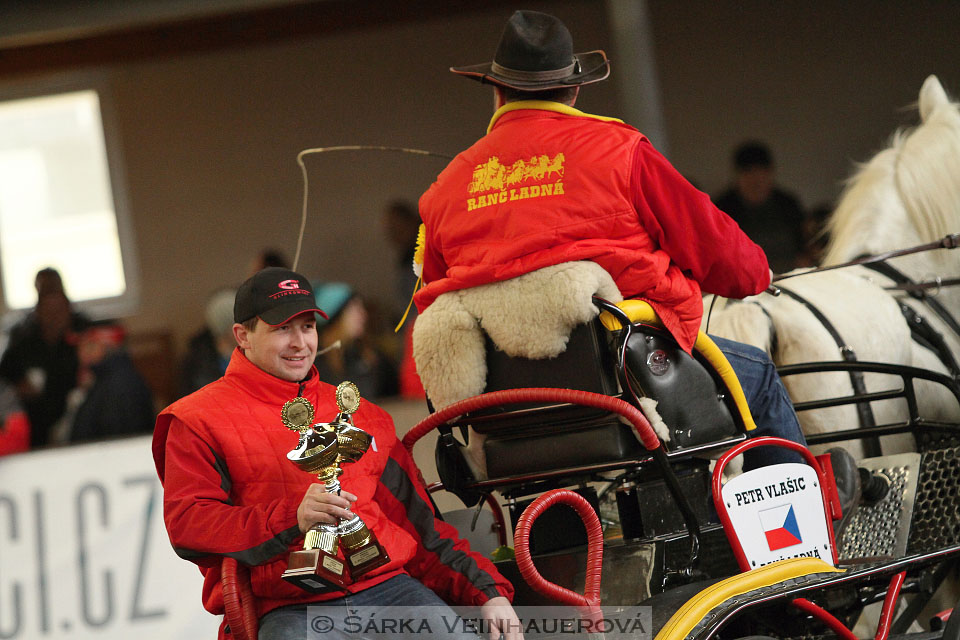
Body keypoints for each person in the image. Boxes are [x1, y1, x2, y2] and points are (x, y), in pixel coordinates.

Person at [413, 10, 806, 469]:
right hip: (633, 386)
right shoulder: (621, 151)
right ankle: (799, 532)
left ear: (497, 92)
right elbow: (737, 266)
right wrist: (757, 273)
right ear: (575, 88)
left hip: (509, 416)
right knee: (756, 372)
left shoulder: (445, 188)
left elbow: (435, 301)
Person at [152, 267, 520, 640]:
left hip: (390, 589)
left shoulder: (363, 414)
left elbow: (423, 530)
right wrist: (290, 518)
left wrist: (486, 592)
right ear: (242, 336)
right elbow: (189, 525)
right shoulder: (195, 419)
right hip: (287, 607)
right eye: (282, 329)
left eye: (307, 326)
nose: (300, 343)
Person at [0, 286, 88, 448]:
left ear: (70, 311)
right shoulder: (23, 343)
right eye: (49, 310)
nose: (55, 316)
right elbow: (6, 374)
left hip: (74, 424)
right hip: (33, 427)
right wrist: (17, 386)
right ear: (38, 313)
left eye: (60, 310)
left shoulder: (81, 341)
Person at [713, 141, 808, 274]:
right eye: (748, 172)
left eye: (761, 172)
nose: (755, 179)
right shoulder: (723, 208)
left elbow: (804, 252)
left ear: (770, 173)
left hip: (787, 279)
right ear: (737, 176)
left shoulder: (788, 205)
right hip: (741, 283)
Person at [64, 323, 155, 444]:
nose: (81, 354)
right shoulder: (104, 380)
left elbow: (121, 441)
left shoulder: (120, 385)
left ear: (109, 347)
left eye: (89, 345)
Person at [312, 282, 398, 400]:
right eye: (354, 309)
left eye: (361, 308)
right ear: (336, 318)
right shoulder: (314, 362)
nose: (363, 315)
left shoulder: (372, 357)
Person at [177, 288, 237, 397]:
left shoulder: (251, 354)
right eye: (236, 325)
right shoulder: (197, 360)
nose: (243, 330)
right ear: (224, 329)